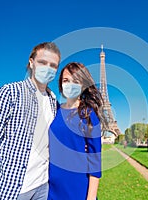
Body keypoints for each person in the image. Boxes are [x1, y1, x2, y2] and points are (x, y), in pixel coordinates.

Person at [0, 42, 61, 200]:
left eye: (53, 65)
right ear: (31, 63)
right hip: (11, 188)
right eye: (42, 62)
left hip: (43, 187)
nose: (47, 68)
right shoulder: (9, 93)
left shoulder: (54, 102)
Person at [48, 62, 106, 200]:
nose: (70, 85)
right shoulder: (54, 110)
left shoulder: (89, 115)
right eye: (66, 80)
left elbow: (95, 162)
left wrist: (91, 197)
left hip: (78, 189)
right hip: (51, 189)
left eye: (76, 81)